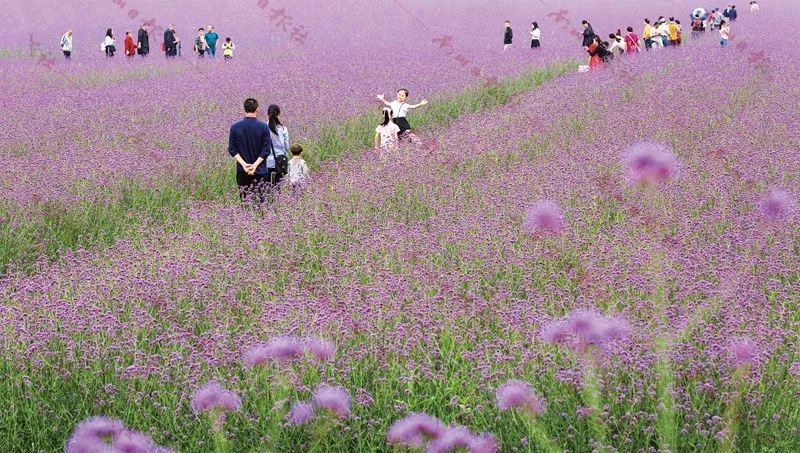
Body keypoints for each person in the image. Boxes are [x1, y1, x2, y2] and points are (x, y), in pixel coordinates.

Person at [228, 98, 273, 202]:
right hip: (260, 171)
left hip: (242, 171)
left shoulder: (235, 127)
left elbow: (232, 149)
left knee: (244, 201)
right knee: (260, 202)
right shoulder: (264, 127)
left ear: (244, 110)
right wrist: (254, 166)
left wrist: (244, 165)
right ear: (257, 110)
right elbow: (266, 150)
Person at [266, 104, 289, 187]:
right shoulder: (283, 129)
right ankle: (276, 199)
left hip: (266, 161)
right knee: (277, 186)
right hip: (280, 161)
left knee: (267, 185)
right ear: (279, 114)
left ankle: (268, 200)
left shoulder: (263, 127)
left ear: (268, 114)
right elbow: (286, 147)